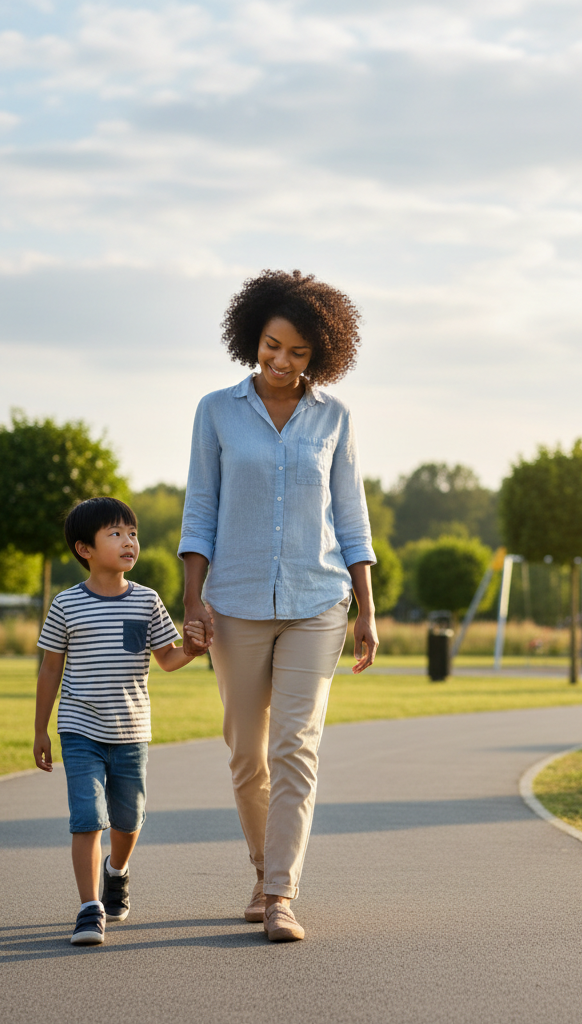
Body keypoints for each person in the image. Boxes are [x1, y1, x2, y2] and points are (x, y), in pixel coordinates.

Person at [179, 269, 378, 943]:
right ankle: (264, 869)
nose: (282, 362)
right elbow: (199, 510)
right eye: (272, 346)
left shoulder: (335, 418)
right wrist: (193, 601)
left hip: (318, 600)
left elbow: (351, 517)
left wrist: (368, 611)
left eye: (298, 352)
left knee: (298, 745)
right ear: (251, 338)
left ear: (321, 353)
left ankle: (279, 892)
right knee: (246, 752)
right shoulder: (216, 410)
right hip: (232, 603)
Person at [34, 497, 207, 946]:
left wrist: (191, 650)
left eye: (132, 533)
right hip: (78, 728)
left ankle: (117, 870)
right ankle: (89, 909)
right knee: (87, 818)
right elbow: (51, 668)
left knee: (127, 821)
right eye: (115, 534)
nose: (128, 541)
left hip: (131, 731)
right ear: (84, 549)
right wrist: (40, 730)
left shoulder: (146, 601)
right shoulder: (66, 604)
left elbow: (166, 659)